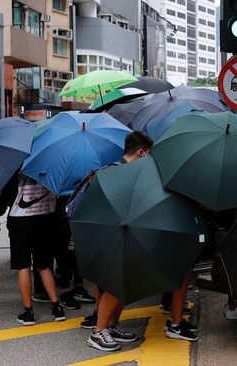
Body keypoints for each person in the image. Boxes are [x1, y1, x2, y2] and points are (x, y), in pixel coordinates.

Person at [87, 131, 153, 352]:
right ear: (141, 152)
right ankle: (98, 332)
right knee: (116, 284)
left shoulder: (121, 171)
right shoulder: (117, 173)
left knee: (123, 284)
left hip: (120, 235)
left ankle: (111, 325)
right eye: (149, 154)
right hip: (111, 236)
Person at [8, 175, 66, 325]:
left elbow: (8, 196)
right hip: (45, 218)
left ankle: (28, 312)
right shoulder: (52, 164)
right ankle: (56, 308)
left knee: (23, 266)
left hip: (20, 221)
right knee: (44, 265)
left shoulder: (16, 166)